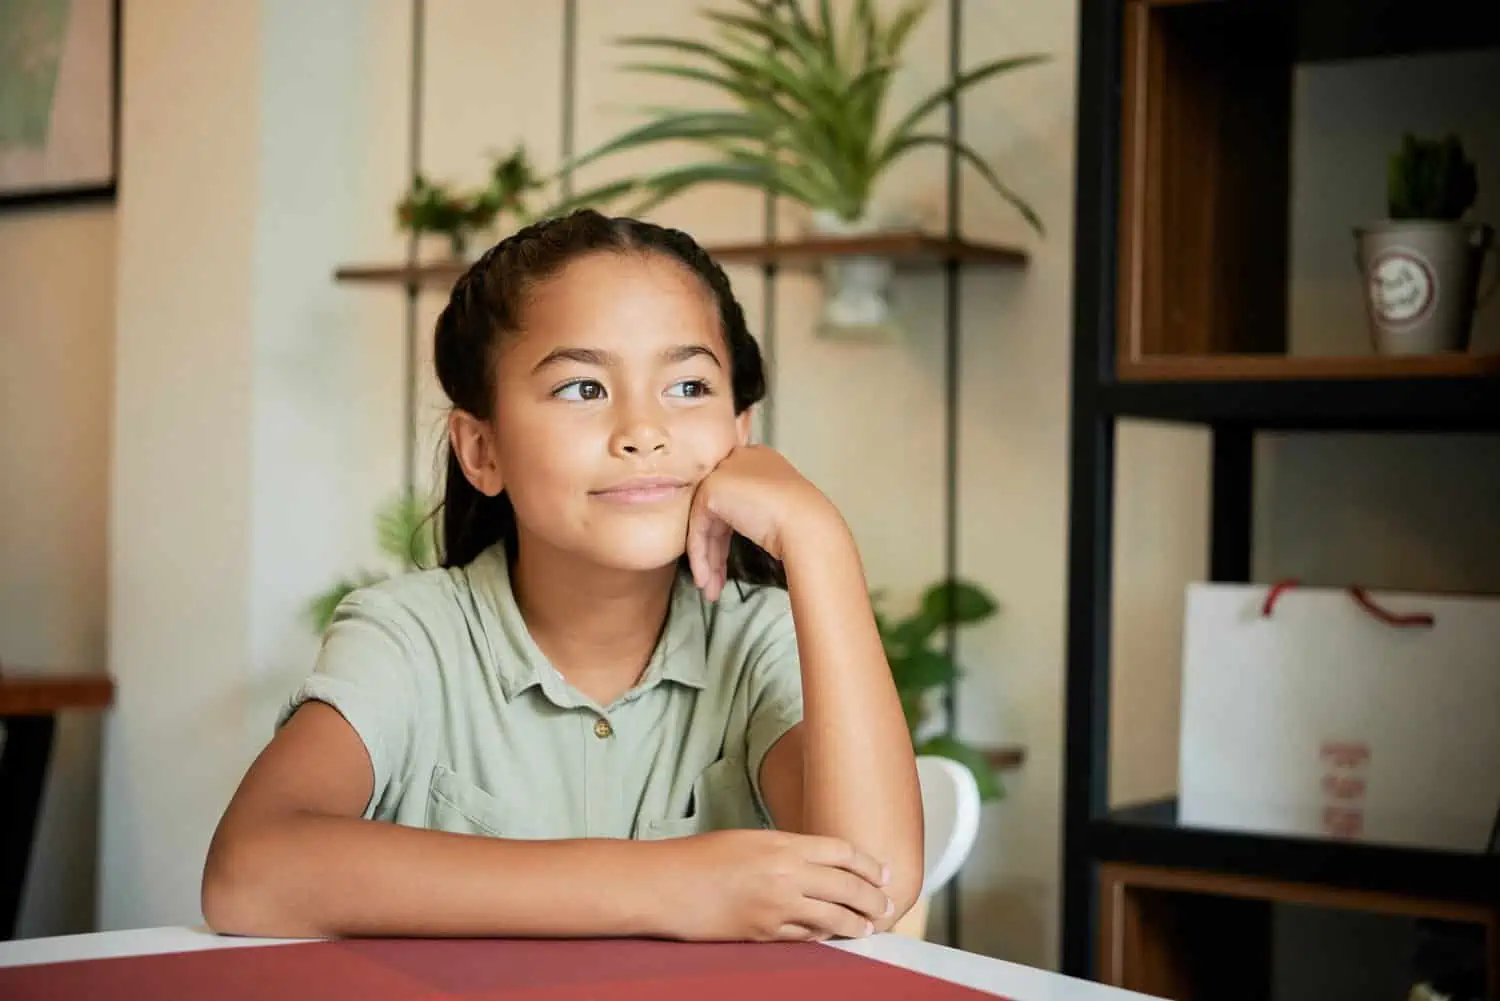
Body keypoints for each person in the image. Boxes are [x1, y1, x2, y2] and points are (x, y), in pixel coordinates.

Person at [201, 209, 924, 944]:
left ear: (741, 436)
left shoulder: (758, 641)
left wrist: (819, 539)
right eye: (583, 389)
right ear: (481, 449)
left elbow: (873, 886)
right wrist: (670, 885)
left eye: (688, 387)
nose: (644, 431)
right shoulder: (409, 638)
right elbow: (249, 873)